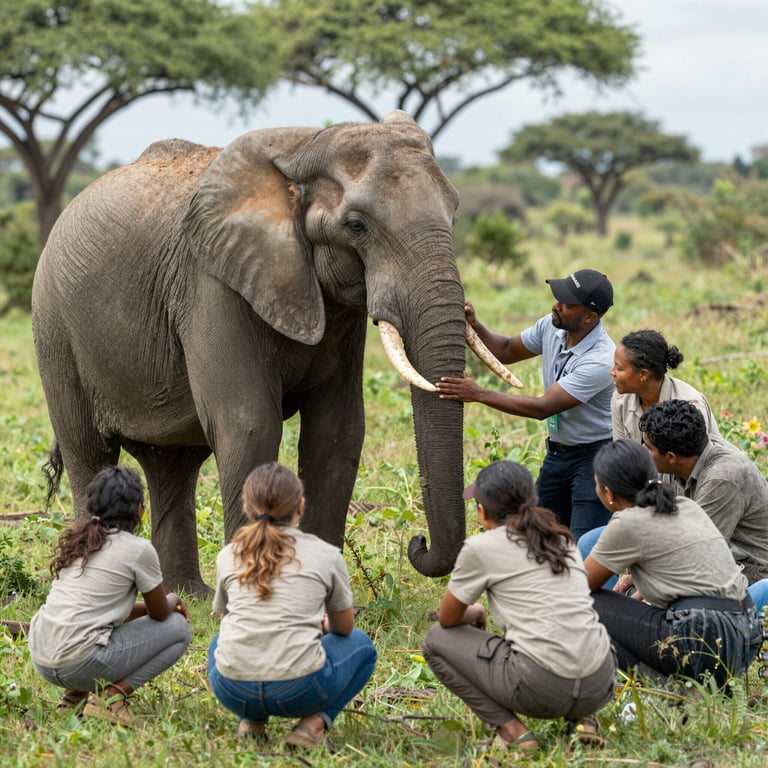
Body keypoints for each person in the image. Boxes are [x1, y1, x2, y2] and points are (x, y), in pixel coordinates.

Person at [422, 461, 616, 755]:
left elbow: (447, 619)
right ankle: (584, 720)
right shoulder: (561, 538)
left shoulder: (481, 547)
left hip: (541, 687)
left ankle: (514, 733)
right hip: (600, 680)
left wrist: (476, 611)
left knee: (435, 640)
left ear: (482, 511)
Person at [435, 268, 615, 540]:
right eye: (558, 298)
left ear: (590, 317)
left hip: (593, 458)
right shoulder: (552, 327)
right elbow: (506, 350)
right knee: (538, 535)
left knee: (583, 542)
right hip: (557, 453)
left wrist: (478, 393)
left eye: (566, 304)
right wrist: (475, 325)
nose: (556, 306)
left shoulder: (601, 359)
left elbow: (543, 408)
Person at [207, 462, 377, 750]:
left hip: (233, 690)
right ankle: (313, 726)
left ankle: (250, 723)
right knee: (362, 646)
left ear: (246, 506)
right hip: (300, 690)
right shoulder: (326, 554)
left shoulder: (228, 555)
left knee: (218, 642)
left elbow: (226, 617)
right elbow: (344, 628)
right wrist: (320, 625)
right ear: (300, 506)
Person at [585, 439, 761, 689]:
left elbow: (578, 588)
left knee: (587, 605)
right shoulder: (685, 506)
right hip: (746, 633)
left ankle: (672, 690)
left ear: (608, 493)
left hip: (701, 634)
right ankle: (696, 690)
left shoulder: (628, 523)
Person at [28, 465, 192, 726]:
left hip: (42, 657)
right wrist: (174, 601)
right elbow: (161, 613)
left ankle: (72, 698)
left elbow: (100, 609)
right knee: (179, 629)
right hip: (79, 661)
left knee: (91, 627)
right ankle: (109, 699)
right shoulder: (138, 549)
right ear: (139, 509)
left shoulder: (79, 541)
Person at [638, 399, 768, 612]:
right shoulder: (681, 460)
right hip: (710, 562)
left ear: (671, 457)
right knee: (595, 540)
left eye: (648, 447)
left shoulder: (722, 478)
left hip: (748, 575)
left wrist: (641, 592)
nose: (642, 451)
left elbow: (695, 554)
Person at [611, 328, 720, 442]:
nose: (612, 372)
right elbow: (621, 450)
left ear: (643, 374)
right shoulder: (620, 400)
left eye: (619, 368)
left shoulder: (690, 407)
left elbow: (698, 453)